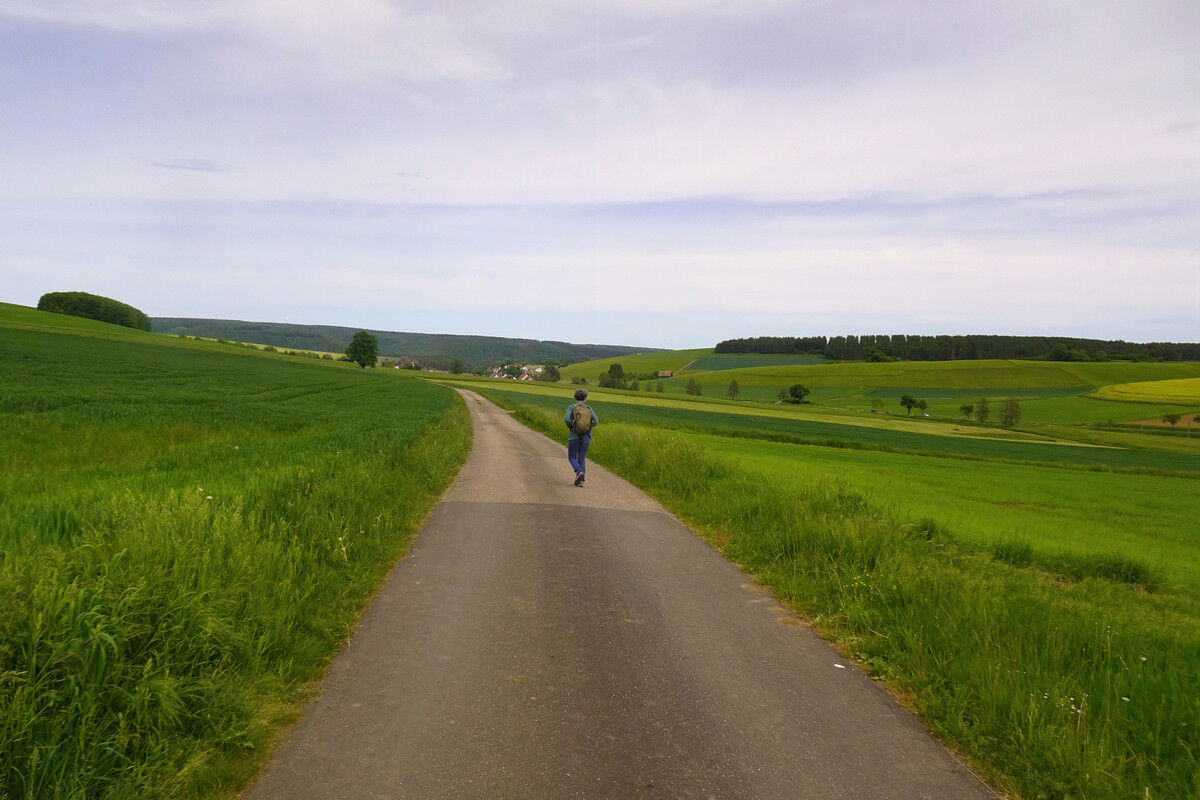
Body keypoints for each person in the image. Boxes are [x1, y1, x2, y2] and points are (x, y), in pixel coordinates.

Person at [564, 388, 599, 486]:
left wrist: (572, 427)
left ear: (576, 397)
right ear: (585, 398)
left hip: (574, 436)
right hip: (587, 436)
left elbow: (566, 419)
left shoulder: (572, 407)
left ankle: (579, 472)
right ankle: (581, 481)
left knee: (572, 457)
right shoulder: (589, 408)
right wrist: (587, 428)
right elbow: (596, 421)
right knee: (581, 457)